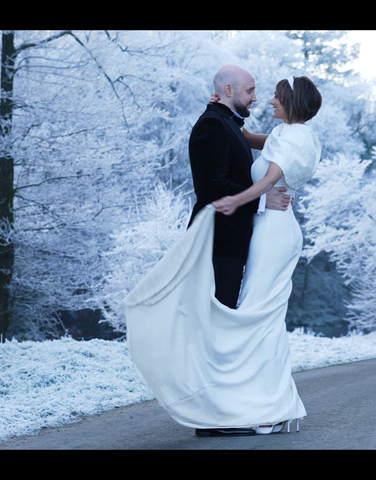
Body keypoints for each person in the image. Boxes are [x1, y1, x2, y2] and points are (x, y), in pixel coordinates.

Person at [124, 71, 322, 438]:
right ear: (229, 91)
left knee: (255, 317)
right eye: (251, 92)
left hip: (272, 229)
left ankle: (263, 408)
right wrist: (217, 104)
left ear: (291, 103)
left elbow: (266, 179)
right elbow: (244, 138)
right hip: (258, 229)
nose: (264, 100)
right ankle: (253, 406)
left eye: (274, 95)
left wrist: (247, 198)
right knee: (253, 316)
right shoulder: (279, 133)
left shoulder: (297, 137)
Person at [187, 64, 291, 310]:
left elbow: (248, 137)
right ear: (229, 89)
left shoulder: (225, 121)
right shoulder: (212, 125)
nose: (255, 98)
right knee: (216, 313)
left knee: (221, 314)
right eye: (250, 91)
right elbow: (212, 187)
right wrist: (263, 200)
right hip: (218, 241)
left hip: (230, 240)